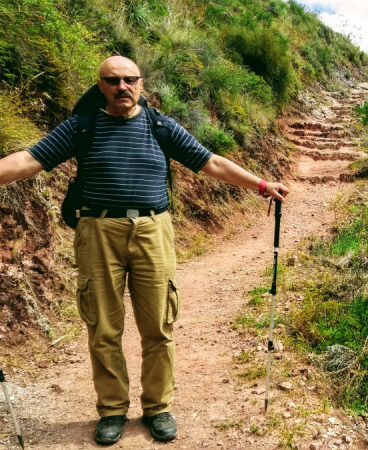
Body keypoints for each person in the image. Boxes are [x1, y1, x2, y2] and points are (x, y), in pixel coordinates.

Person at [0, 56, 289, 445]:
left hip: (154, 229)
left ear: (141, 84)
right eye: (113, 80)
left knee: (159, 326)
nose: (122, 86)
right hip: (97, 230)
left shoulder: (160, 126)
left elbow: (212, 163)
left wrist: (260, 184)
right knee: (102, 327)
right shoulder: (81, 126)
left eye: (130, 80)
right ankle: (113, 411)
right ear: (100, 86)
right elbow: (29, 160)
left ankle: (157, 407)